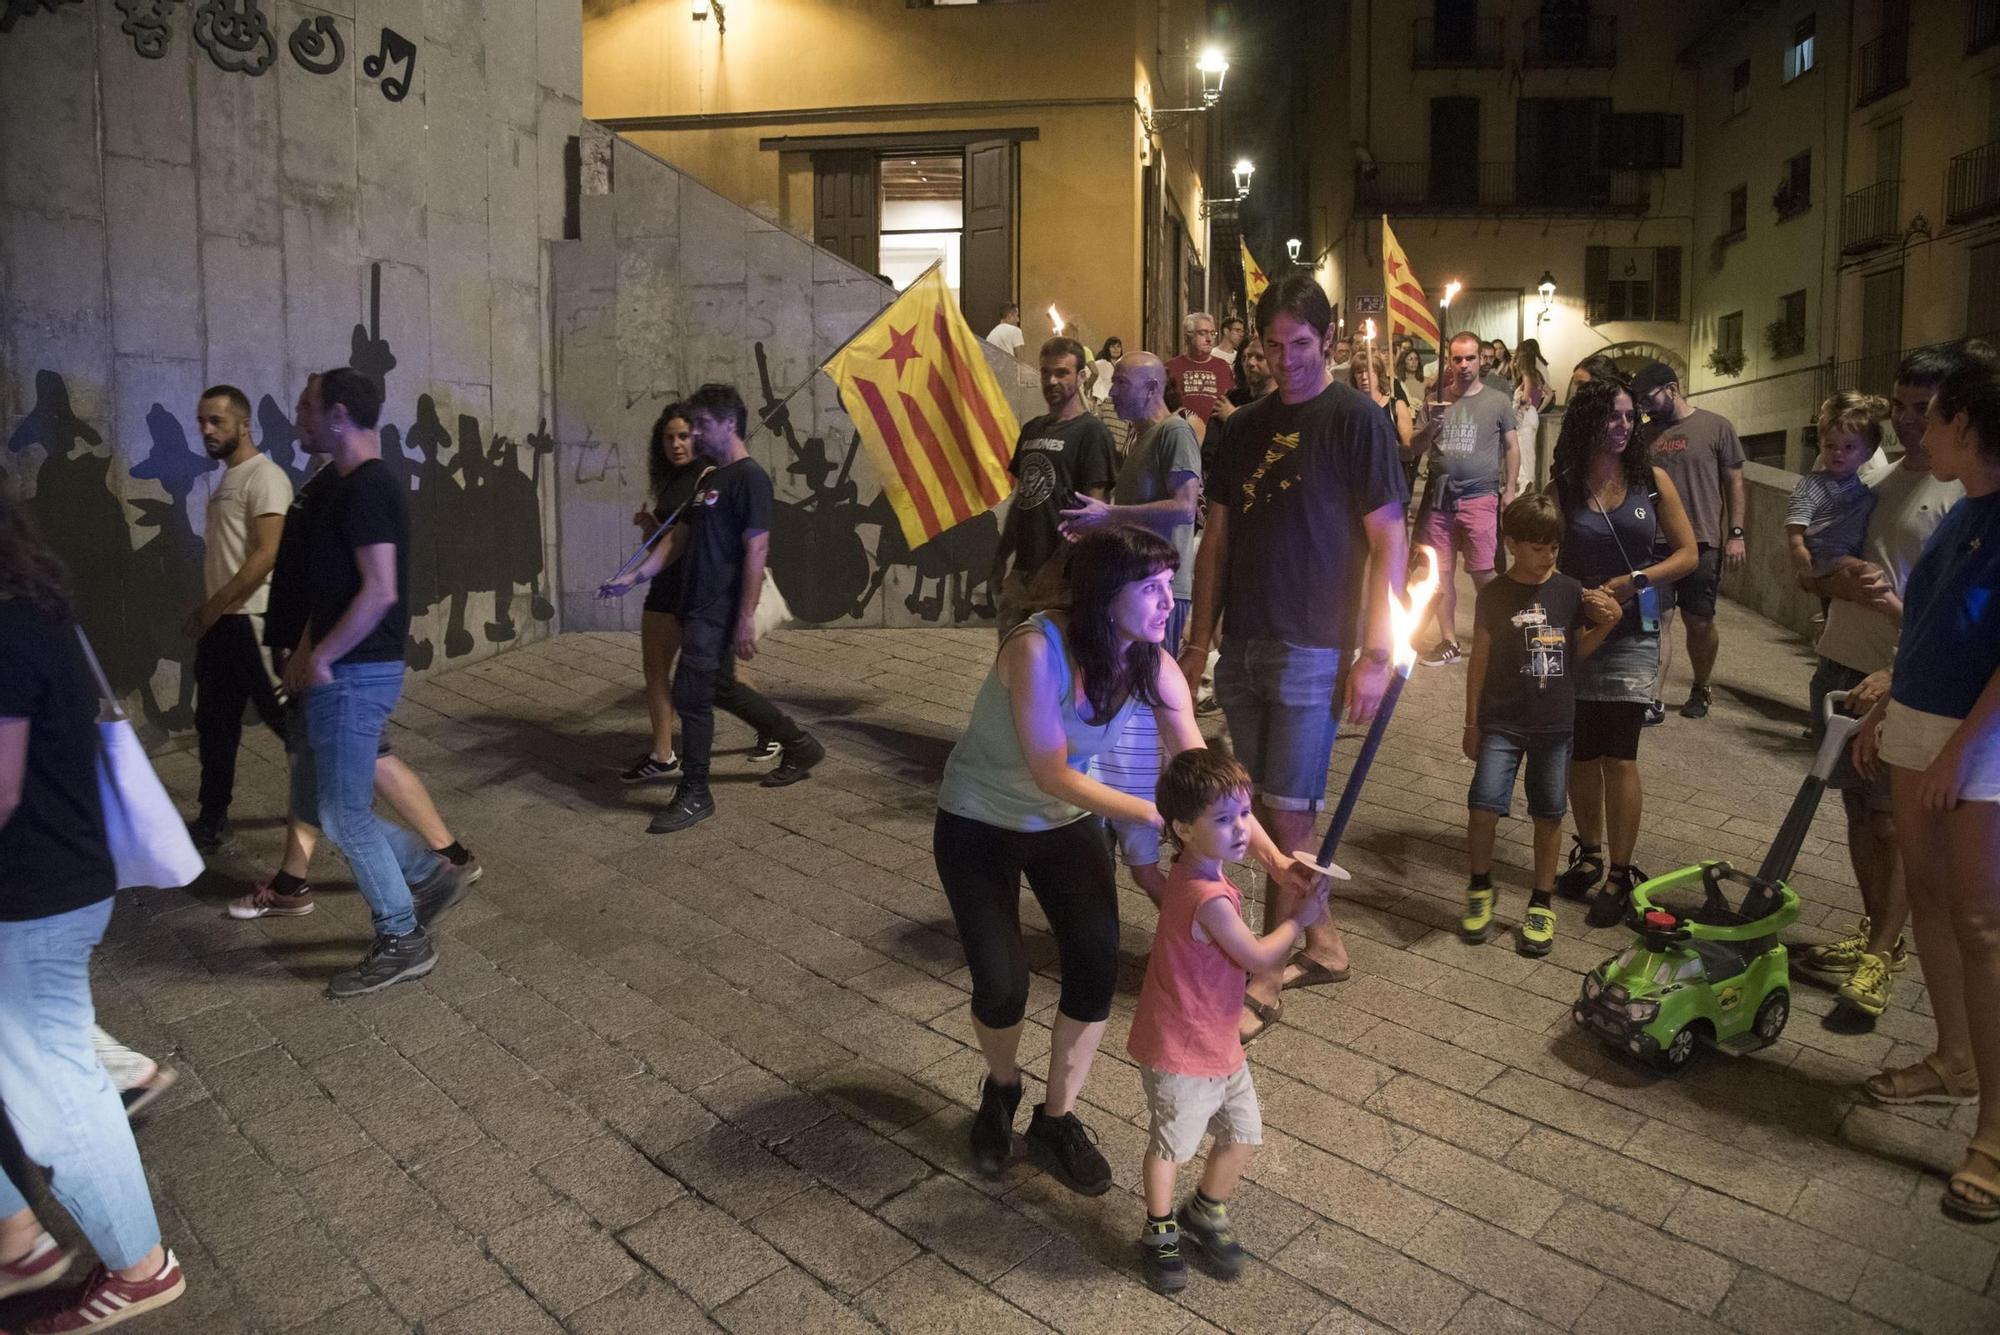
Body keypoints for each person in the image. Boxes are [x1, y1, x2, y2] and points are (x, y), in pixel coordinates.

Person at [934, 527, 1313, 1194]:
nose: (1170, 601)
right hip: (978, 821)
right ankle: (1001, 1087)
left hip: (1066, 825)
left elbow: (1207, 779)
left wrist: (1277, 858)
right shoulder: (1035, 647)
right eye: (1151, 588)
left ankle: (1057, 1118)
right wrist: (1156, 816)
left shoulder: (1153, 664)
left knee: (1094, 966)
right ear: (1106, 593)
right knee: (1002, 984)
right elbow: (1051, 770)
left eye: (1171, 585)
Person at [1179, 275, 1409, 1042]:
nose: (1285, 362)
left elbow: (1389, 544)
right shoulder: (1238, 428)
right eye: (1272, 347)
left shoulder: (1357, 421)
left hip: (1317, 643)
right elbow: (1215, 538)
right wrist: (1198, 640)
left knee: (1287, 809)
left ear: (1329, 343)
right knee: (1270, 809)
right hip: (1244, 640)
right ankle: (1325, 941)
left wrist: (1375, 650)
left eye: (1300, 346)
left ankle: (1267, 975)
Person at [0, 493, 188, 1331]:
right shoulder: (39, 611)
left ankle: (141, 1269)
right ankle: (15, 1237)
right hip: (61, 875)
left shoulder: (4, 632)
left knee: (55, 1095)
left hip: (30, 892)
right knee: (49, 1064)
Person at [232, 375, 479, 923]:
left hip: (356, 672)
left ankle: (403, 928)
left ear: (339, 414)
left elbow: (380, 590)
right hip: (335, 670)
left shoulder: (369, 487)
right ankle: (429, 874)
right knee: (320, 803)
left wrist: (319, 656)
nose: (299, 418)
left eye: (308, 408)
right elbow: (328, 588)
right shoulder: (340, 485)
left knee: (344, 814)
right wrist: (303, 650)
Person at [1850, 353, 2000, 1223]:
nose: (1921, 430)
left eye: (1935, 417)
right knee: (1935, 902)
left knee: (1982, 924)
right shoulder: (1960, 513)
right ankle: (1954, 1059)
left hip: (1976, 743)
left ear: (1968, 428)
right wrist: (1889, 705)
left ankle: (1995, 1130)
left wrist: (1957, 753)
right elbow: (1935, 621)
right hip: (1916, 719)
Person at [1802, 350, 1978, 1018]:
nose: (1906, 421)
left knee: (1896, 821)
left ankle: (1883, 950)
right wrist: (1829, 577)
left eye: (1921, 409)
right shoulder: (1876, 473)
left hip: (1899, 676)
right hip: (1841, 660)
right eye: (1899, 404)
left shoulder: (1961, 491)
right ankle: (1875, 930)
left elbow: (1951, 610)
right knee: (1855, 810)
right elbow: (1819, 557)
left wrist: (1898, 663)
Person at [1128, 748, 1328, 1295]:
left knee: (1242, 1132)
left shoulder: (1196, 874)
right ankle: (1159, 1229)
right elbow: (1261, 959)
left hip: (1216, 1039)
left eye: (1244, 813)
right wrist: (1302, 919)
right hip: (1183, 1048)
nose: (1242, 829)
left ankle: (1205, 1210)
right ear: (1183, 830)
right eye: (1224, 819)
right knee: (1172, 1144)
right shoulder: (1207, 896)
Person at [601, 384, 824, 834]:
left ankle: (696, 792)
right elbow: (679, 539)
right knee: (722, 688)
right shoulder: (709, 480)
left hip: (718, 607)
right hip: (693, 601)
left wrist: (744, 616)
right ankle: (800, 745)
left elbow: (757, 548)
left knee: (691, 695)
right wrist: (634, 577)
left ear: (729, 425)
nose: (695, 434)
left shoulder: (750, 478)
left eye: (702, 425)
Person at [1549, 380, 1698, 927]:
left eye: (1630, 416)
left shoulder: (1652, 482)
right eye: (1612, 416)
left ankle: (1620, 871)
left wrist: (1634, 581)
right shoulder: (1564, 485)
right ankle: (1588, 854)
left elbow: (1686, 555)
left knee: (1621, 752)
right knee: (1581, 751)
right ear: (1589, 421)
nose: (1623, 426)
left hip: (1634, 632)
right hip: (1578, 630)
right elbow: (1548, 553)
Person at [1058, 354, 1205, 900]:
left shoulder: (1174, 433)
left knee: (1151, 712)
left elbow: (1185, 507)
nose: (1111, 390)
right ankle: (1115, 805)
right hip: (1132, 592)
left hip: (1158, 595)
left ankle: (1160, 816)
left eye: (1120, 382)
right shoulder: (1139, 437)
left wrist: (1110, 516)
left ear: (1150, 389)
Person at [1460, 494, 1620, 956]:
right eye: (1536, 547)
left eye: (1553, 547)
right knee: (1483, 805)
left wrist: (1607, 626)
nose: (1547, 556)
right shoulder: (1494, 594)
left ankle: (1541, 901)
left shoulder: (1570, 591)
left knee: (1549, 813)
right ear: (1511, 544)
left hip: (1554, 724)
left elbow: (1575, 655)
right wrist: (1472, 723)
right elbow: (1479, 662)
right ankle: (1479, 886)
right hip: (1503, 722)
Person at [182, 385, 292, 853]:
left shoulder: (264, 477)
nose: (206, 429)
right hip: (222, 625)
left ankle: (337, 807)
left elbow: (267, 555)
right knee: (215, 724)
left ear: (244, 425)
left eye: (217, 421)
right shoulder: (226, 480)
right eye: (203, 421)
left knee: (289, 722)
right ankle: (212, 820)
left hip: (252, 620)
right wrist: (210, 612)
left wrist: (214, 606)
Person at [1630, 362, 1747, 725]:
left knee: (1699, 622)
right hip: (1655, 545)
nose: (1645, 408)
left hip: (1702, 542)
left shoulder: (1716, 427)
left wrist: (1737, 534)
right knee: (1655, 621)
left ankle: (1701, 684)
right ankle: (1654, 698)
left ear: (1672, 388)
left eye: (1649, 398)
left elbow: (1735, 483)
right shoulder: (1643, 436)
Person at [988, 338, 1117, 635]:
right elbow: (1024, 499)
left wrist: (1056, 568)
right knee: (1011, 666)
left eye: (1061, 373)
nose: (1051, 380)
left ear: (1081, 376)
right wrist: (1000, 557)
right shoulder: (1032, 429)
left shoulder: (1092, 433)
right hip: (1023, 571)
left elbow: (1093, 514)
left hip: (1063, 580)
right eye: (1046, 372)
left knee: (1054, 671)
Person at [1409, 331, 1520, 667]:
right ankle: (1449, 641)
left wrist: (1510, 488)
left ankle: (1499, 634)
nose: (1464, 365)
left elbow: (1512, 446)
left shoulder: (1497, 401)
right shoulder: (1434, 399)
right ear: (1449, 361)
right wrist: (1431, 426)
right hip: (1441, 498)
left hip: (1480, 497)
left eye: (1470, 358)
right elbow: (1412, 447)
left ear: (1480, 360)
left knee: (1483, 571)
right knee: (1440, 574)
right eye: (1457, 358)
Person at [623, 403, 711, 784]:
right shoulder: (673, 482)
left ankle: (778, 732)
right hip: (666, 586)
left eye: (683, 436)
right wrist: (651, 525)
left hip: (696, 588)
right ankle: (663, 754)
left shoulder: (709, 479)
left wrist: (637, 573)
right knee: (655, 670)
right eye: (668, 437)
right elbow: (664, 539)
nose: (675, 444)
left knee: (725, 678)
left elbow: (692, 538)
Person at [1787, 393, 1885, 605]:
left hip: (1842, 551)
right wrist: (1797, 546)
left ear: (1866, 453)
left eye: (1848, 447)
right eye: (1830, 446)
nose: (1838, 453)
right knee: (1872, 573)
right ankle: (1899, 615)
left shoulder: (1859, 482)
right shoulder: (1815, 482)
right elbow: (1797, 516)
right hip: (1827, 554)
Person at [1165, 312, 1236, 424]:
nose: (1209, 339)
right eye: (1203, 333)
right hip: (1182, 434)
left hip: (1215, 436)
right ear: (1187, 338)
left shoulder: (1223, 367)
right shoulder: (1171, 367)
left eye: (1213, 333)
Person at [1348, 352, 1413, 450]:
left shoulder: (1396, 407)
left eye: (1369, 371)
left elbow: (1409, 451)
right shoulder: (1349, 407)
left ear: (1379, 375)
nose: (1364, 377)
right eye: (1359, 372)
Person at [1511, 339, 1550, 494]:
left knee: (1524, 452)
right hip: (1532, 414)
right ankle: (1526, 485)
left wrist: (1520, 405)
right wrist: (1538, 409)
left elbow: (1525, 399)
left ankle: (1525, 486)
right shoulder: (1537, 375)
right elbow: (1549, 393)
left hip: (1525, 416)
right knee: (1528, 452)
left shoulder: (1527, 375)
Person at [1227, 335, 1272, 409]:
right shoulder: (1232, 398)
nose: (1250, 362)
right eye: (1248, 356)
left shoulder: (1285, 402)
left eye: (1259, 357)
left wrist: (1233, 416)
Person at [1090, 337, 1125, 408]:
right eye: (1112, 346)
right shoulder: (1101, 364)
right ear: (1107, 348)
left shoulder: (1123, 365)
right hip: (1105, 401)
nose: (1116, 349)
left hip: (1120, 402)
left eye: (1118, 346)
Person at [1396, 347, 1428, 411]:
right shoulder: (1397, 381)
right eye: (1410, 359)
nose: (1414, 362)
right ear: (1403, 361)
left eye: (1416, 359)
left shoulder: (1425, 380)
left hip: (1419, 416)